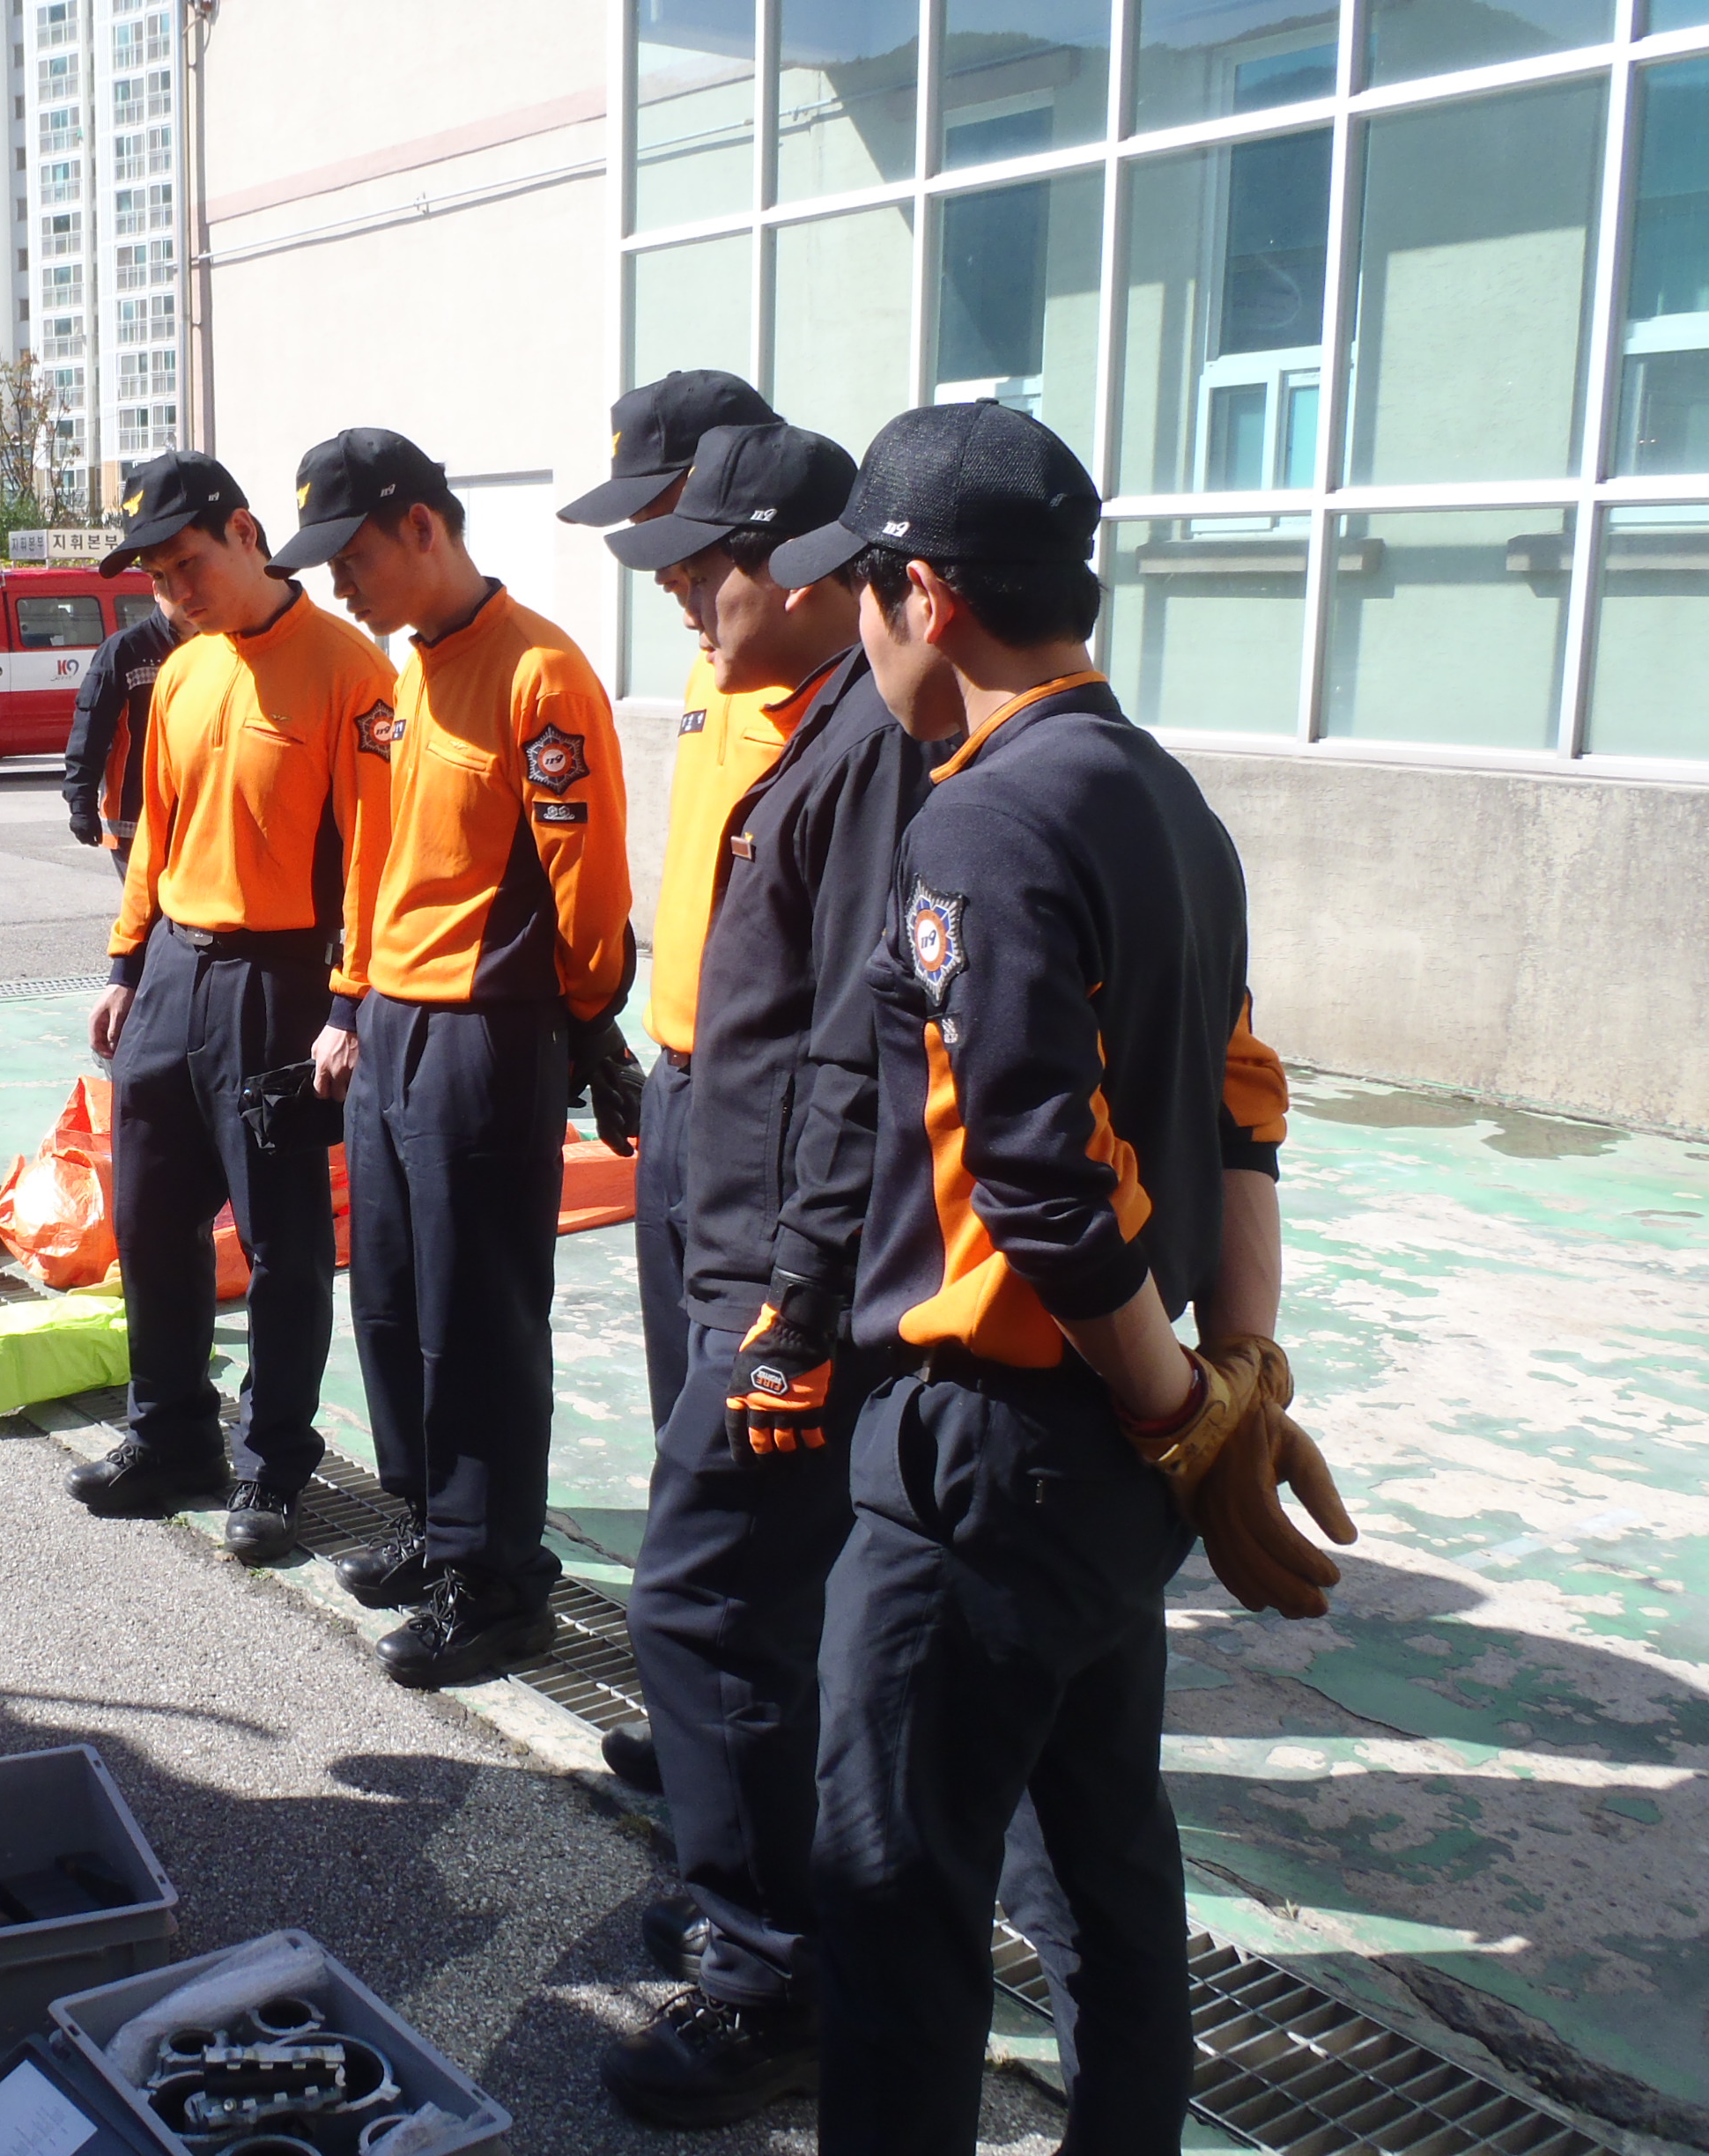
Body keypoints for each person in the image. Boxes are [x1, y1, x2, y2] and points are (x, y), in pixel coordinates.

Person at [764, 402, 1356, 2153]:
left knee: (896, 1903)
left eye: (861, 592)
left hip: (995, 1451)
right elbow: (1241, 1106)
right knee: (1106, 1869)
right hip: (1113, 1449)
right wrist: (1233, 1373)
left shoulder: (985, 819)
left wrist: (1187, 1409)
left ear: (926, 594)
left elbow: (1040, 1178)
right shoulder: (1165, 799)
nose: (856, 631)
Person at [584, 420, 946, 2127]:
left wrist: (786, 1305)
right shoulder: (818, 723)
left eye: (704, 567)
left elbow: (854, 1061)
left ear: (807, 569)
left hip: (790, 1273)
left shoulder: (870, 750)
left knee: (704, 1599)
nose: (682, 599)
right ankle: (768, 1904)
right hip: (742, 1234)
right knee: (754, 1605)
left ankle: (767, 1973)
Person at [268, 427, 638, 1689]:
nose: (339, 587)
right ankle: (434, 1523)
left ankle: (497, 1584)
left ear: (423, 525)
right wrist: (352, 998)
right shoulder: (413, 673)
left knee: (479, 1317)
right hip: (394, 1021)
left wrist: (588, 1023)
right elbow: (376, 855)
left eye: (354, 558)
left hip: (489, 1028)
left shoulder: (541, 674)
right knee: (391, 1299)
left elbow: (590, 890)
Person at [71, 451, 395, 1561]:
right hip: (173, 969)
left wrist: (348, 1002)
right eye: (157, 578)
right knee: (150, 1223)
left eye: (188, 565)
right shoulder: (181, 673)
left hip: (283, 982)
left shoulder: (351, 670)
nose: (176, 593)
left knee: (282, 1244)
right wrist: (124, 966)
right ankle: (169, 1439)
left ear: (247, 534)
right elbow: (155, 832)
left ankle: (272, 1466)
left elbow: (373, 857)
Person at [556, 367, 781, 1798]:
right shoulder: (714, 659)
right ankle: (704, 1707)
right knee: (682, 1421)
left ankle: (759, 1735)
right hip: (684, 1079)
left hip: (768, 1106)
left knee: (751, 1441)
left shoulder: (829, 675)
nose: (659, 566)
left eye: (670, 515)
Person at [63, 580, 184, 873]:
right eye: (177, 589)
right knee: (148, 903)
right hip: (135, 819)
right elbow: (90, 730)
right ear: (156, 591)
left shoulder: (219, 644)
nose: (187, 597)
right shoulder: (124, 650)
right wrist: (81, 802)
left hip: (196, 819)